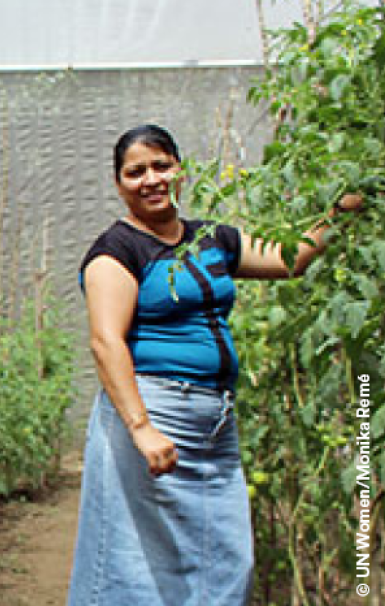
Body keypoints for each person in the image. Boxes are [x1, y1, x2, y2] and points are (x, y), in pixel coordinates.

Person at [68, 124, 364, 604]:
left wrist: (341, 212)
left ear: (180, 170)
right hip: (152, 414)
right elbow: (106, 342)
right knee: (133, 565)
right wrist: (141, 429)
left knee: (226, 559)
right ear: (118, 184)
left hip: (214, 423)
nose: (151, 179)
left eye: (161, 165)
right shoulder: (116, 251)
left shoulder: (213, 239)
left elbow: (292, 259)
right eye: (135, 171)